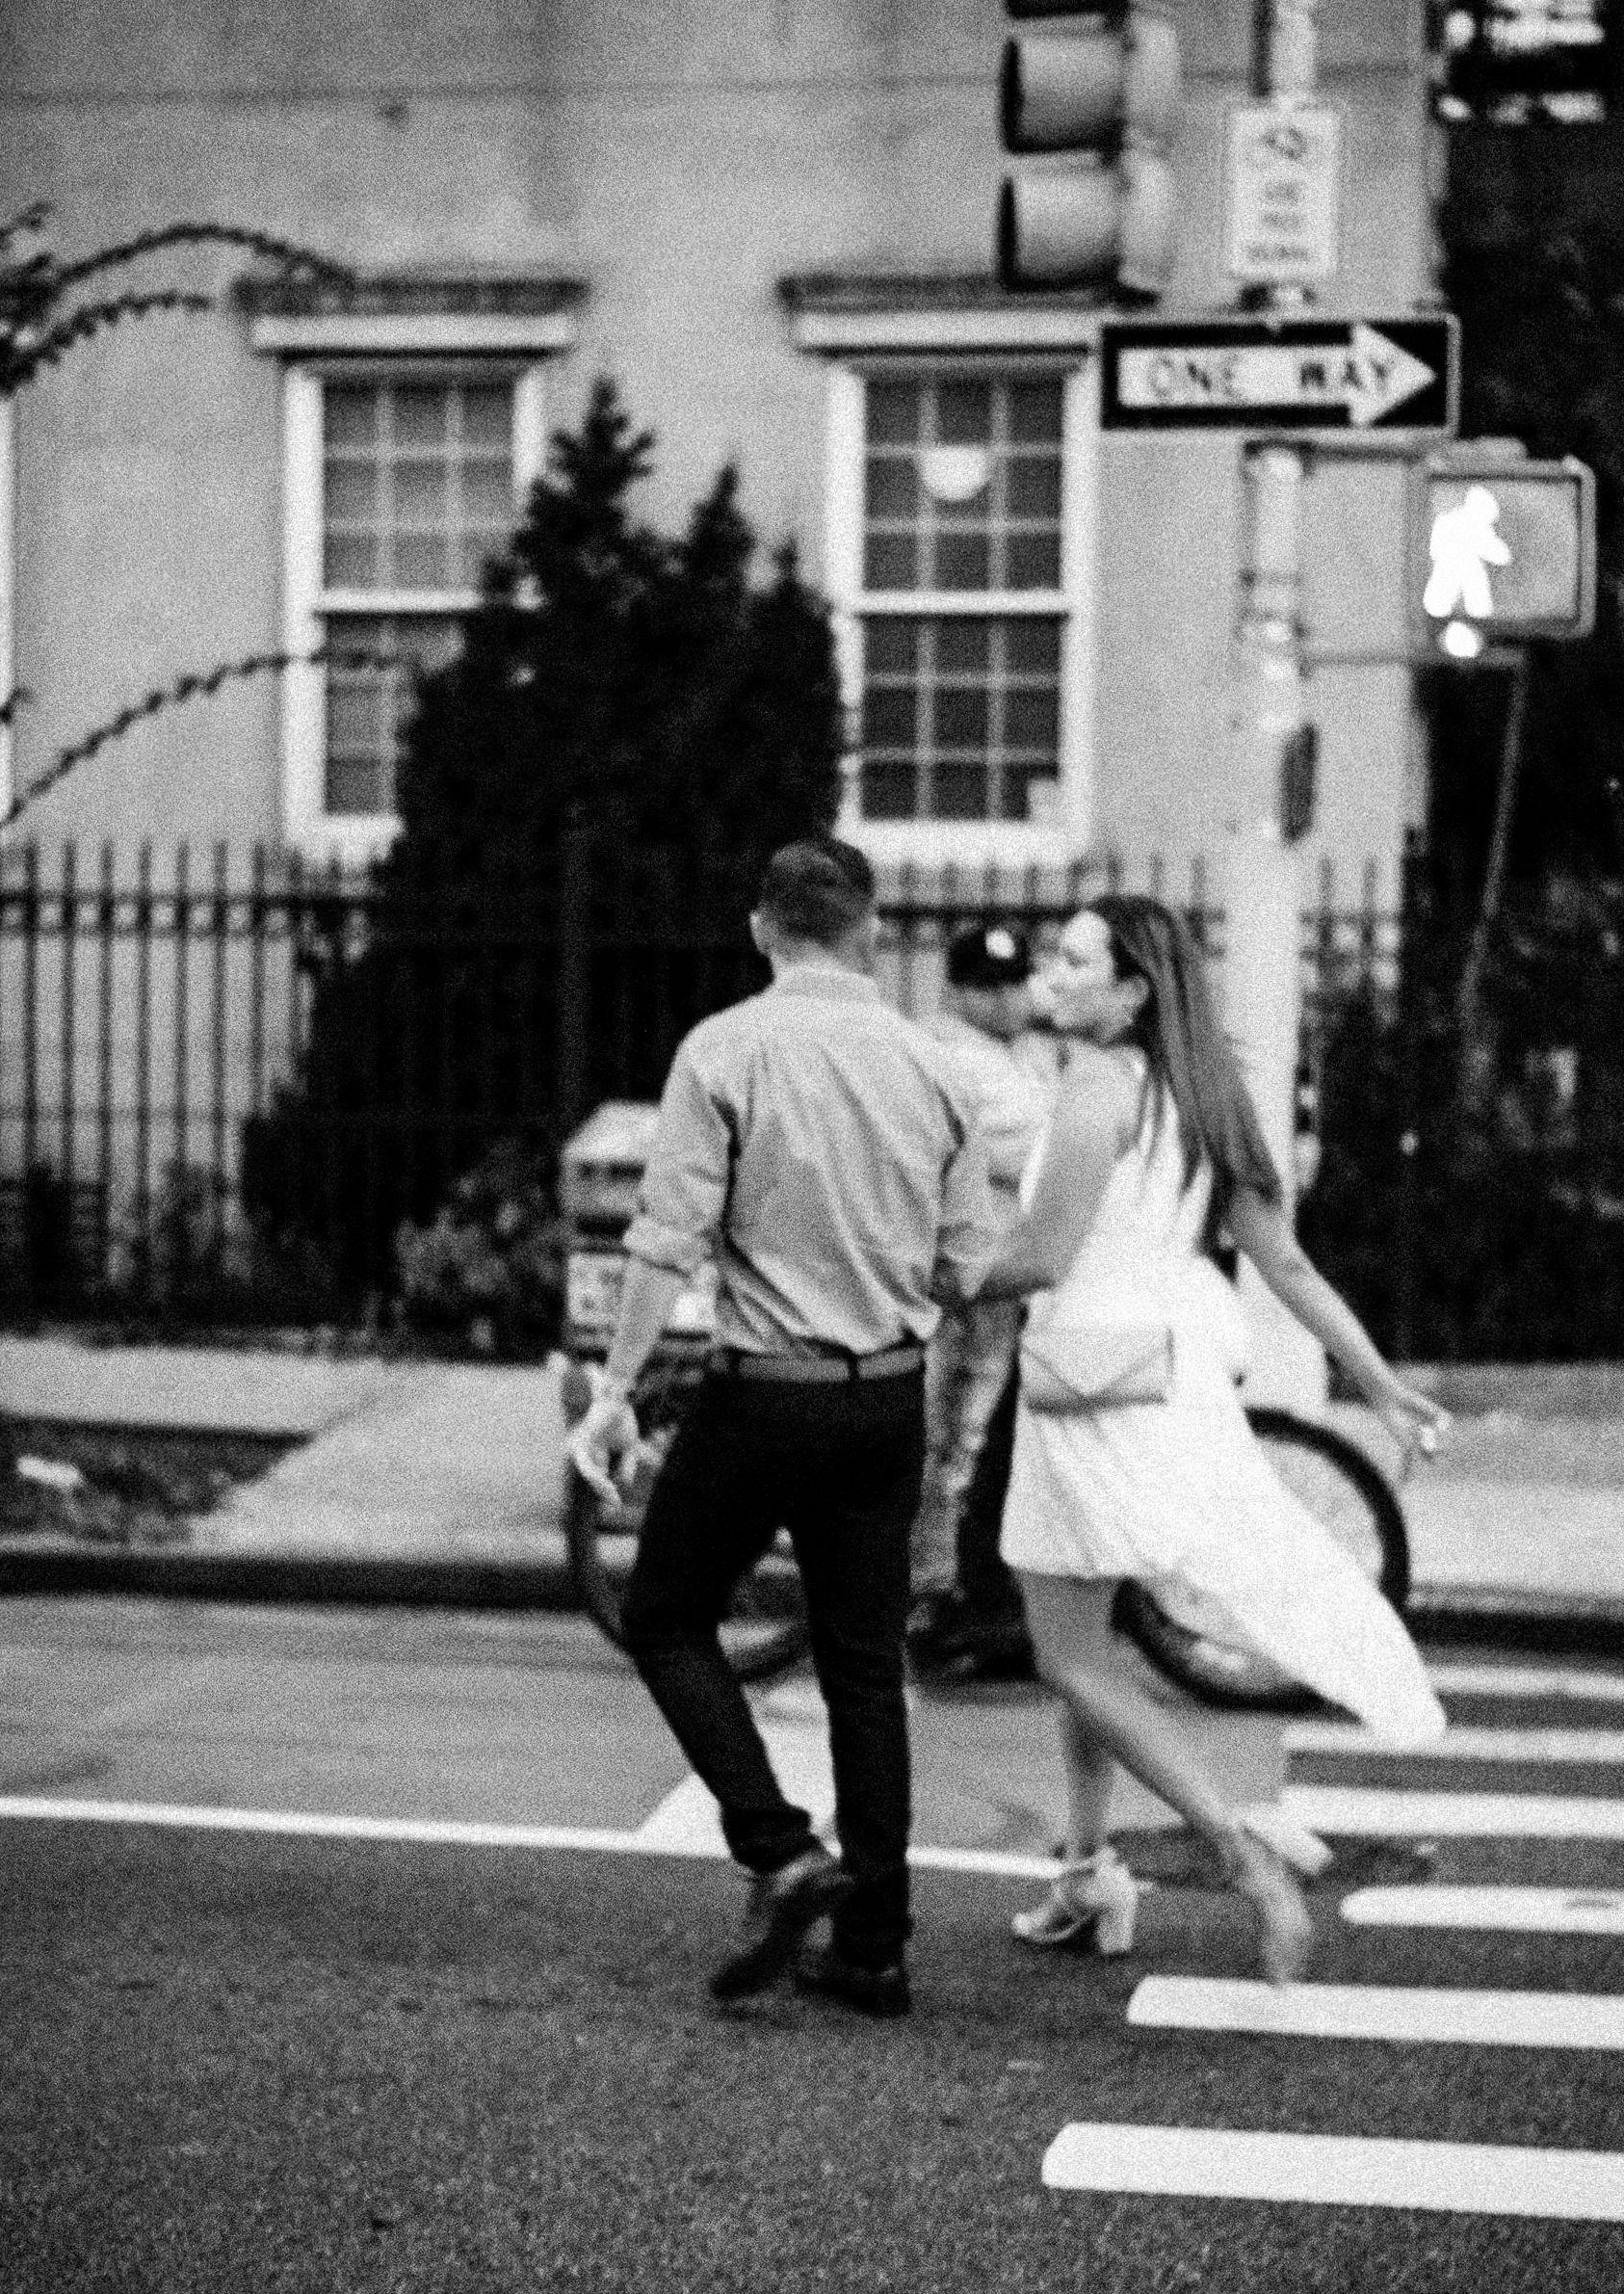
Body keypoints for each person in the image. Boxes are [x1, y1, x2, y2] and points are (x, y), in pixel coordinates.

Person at [971, 895, 1452, 1985]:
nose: (1055, 970)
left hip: (1084, 1391)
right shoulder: (1203, 1094)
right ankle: (1086, 1875)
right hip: (1164, 1385)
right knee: (1087, 1648)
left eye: (1078, 958)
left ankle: (1239, 1853)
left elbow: (1040, 1258)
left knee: (1066, 1655)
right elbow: (1288, 1264)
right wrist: (1381, 1386)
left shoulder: (1097, 1087)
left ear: (1131, 989)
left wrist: (918, 1276)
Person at [567, 839, 999, 2018]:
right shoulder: (938, 1068)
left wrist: (614, 1391)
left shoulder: (724, 1050)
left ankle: (779, 1846)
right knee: (864, 1666)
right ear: (871, 930)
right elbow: (965, 1268)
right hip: (887, 1398)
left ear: (763, 927)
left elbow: (665, 1242)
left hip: (763, 1395)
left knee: (665, 1616)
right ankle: (876, 1947)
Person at [910, 923, 1059, 1678]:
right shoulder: (951, 1058)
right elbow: (1037, 1150)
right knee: (955, 1440)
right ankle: (938, 1593)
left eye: (1014, 983)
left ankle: (965, 1593)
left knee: (979, 1442)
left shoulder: (1019, 1055)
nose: (1007, 999)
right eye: (988, 987)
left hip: (1004, 1280)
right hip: (968, 1283)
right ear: (956, 992)